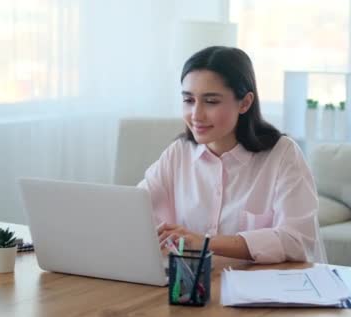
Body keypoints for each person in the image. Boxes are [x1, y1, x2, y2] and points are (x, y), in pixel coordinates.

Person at [138, 46, 326, 264]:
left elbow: (296, 240)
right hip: (195, 288)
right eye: (189, 100)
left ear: (245, 102)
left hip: (265, 287)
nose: (196, 115)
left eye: (211, 101)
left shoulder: (283, 154)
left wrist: (205, 242)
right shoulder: (178, 153)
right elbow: (137, 210)